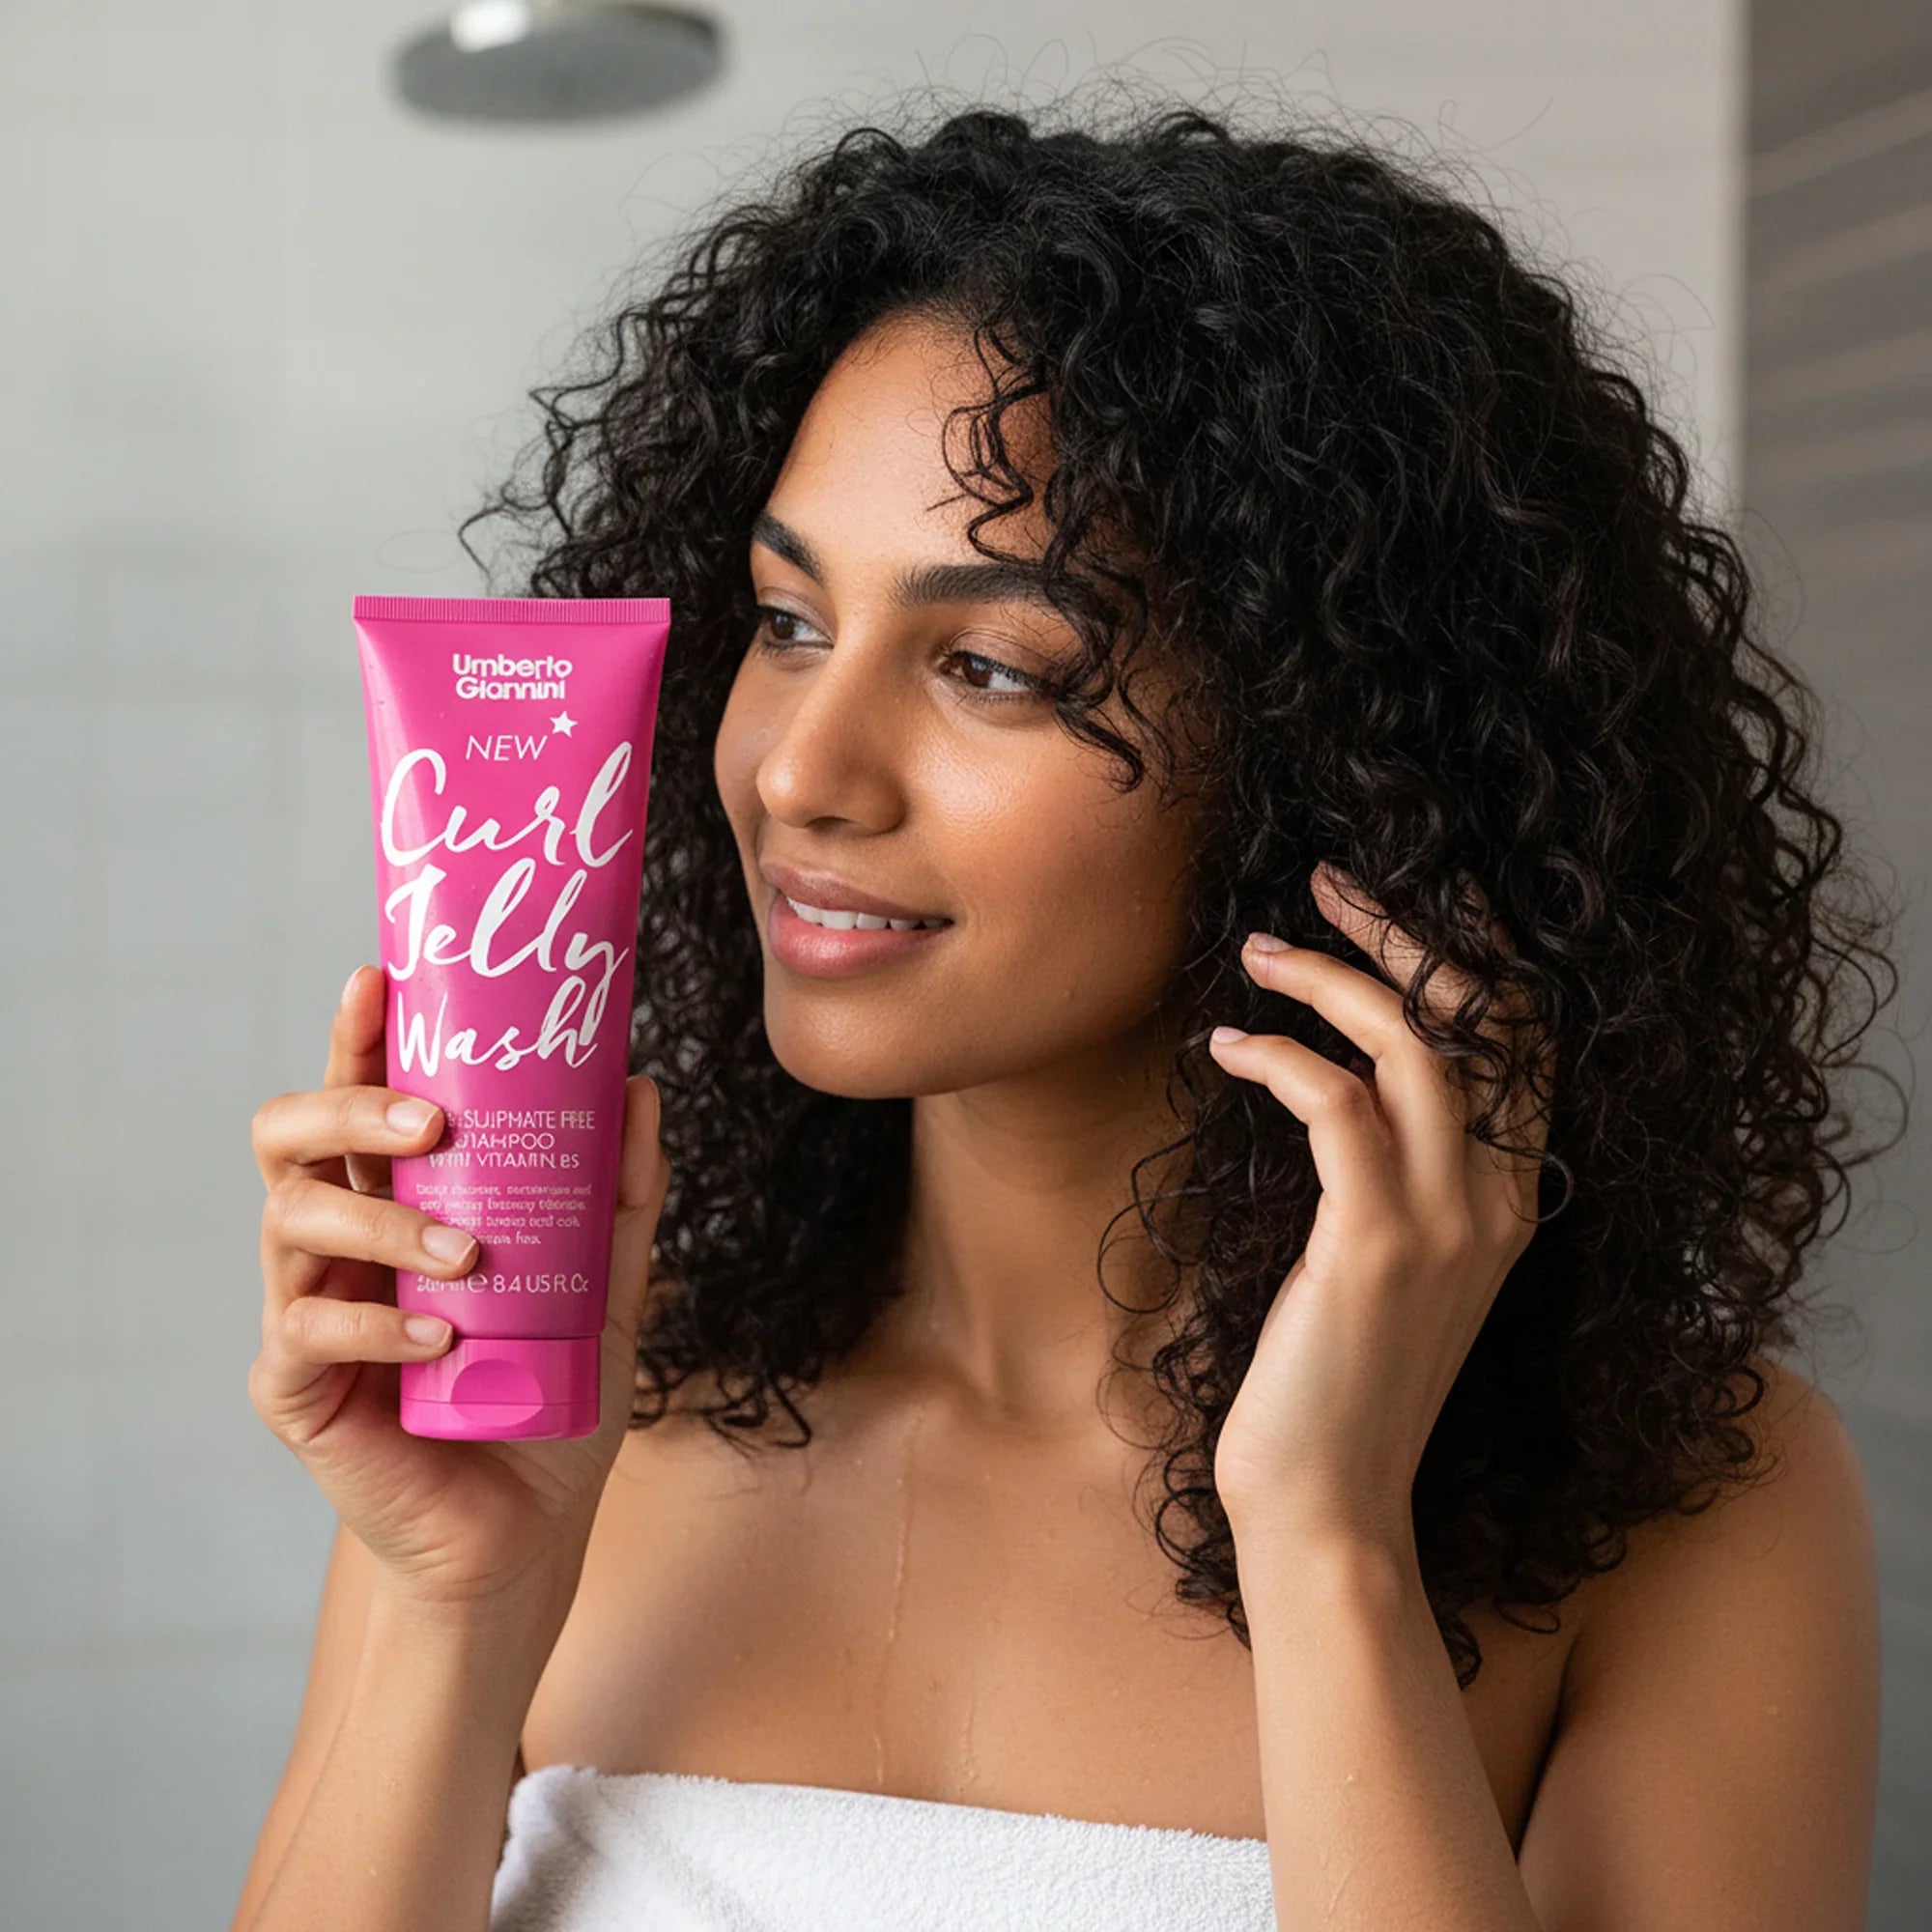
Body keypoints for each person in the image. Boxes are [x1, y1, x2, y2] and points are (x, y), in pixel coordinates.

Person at [231, 86, 1898, 1932]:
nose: (802, 771)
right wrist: (456, 1601)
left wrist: (1328, 1537)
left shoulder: (1683, 1516)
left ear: (1322, 758)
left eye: (989, 665)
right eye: (788, 624)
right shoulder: (568, 1432)